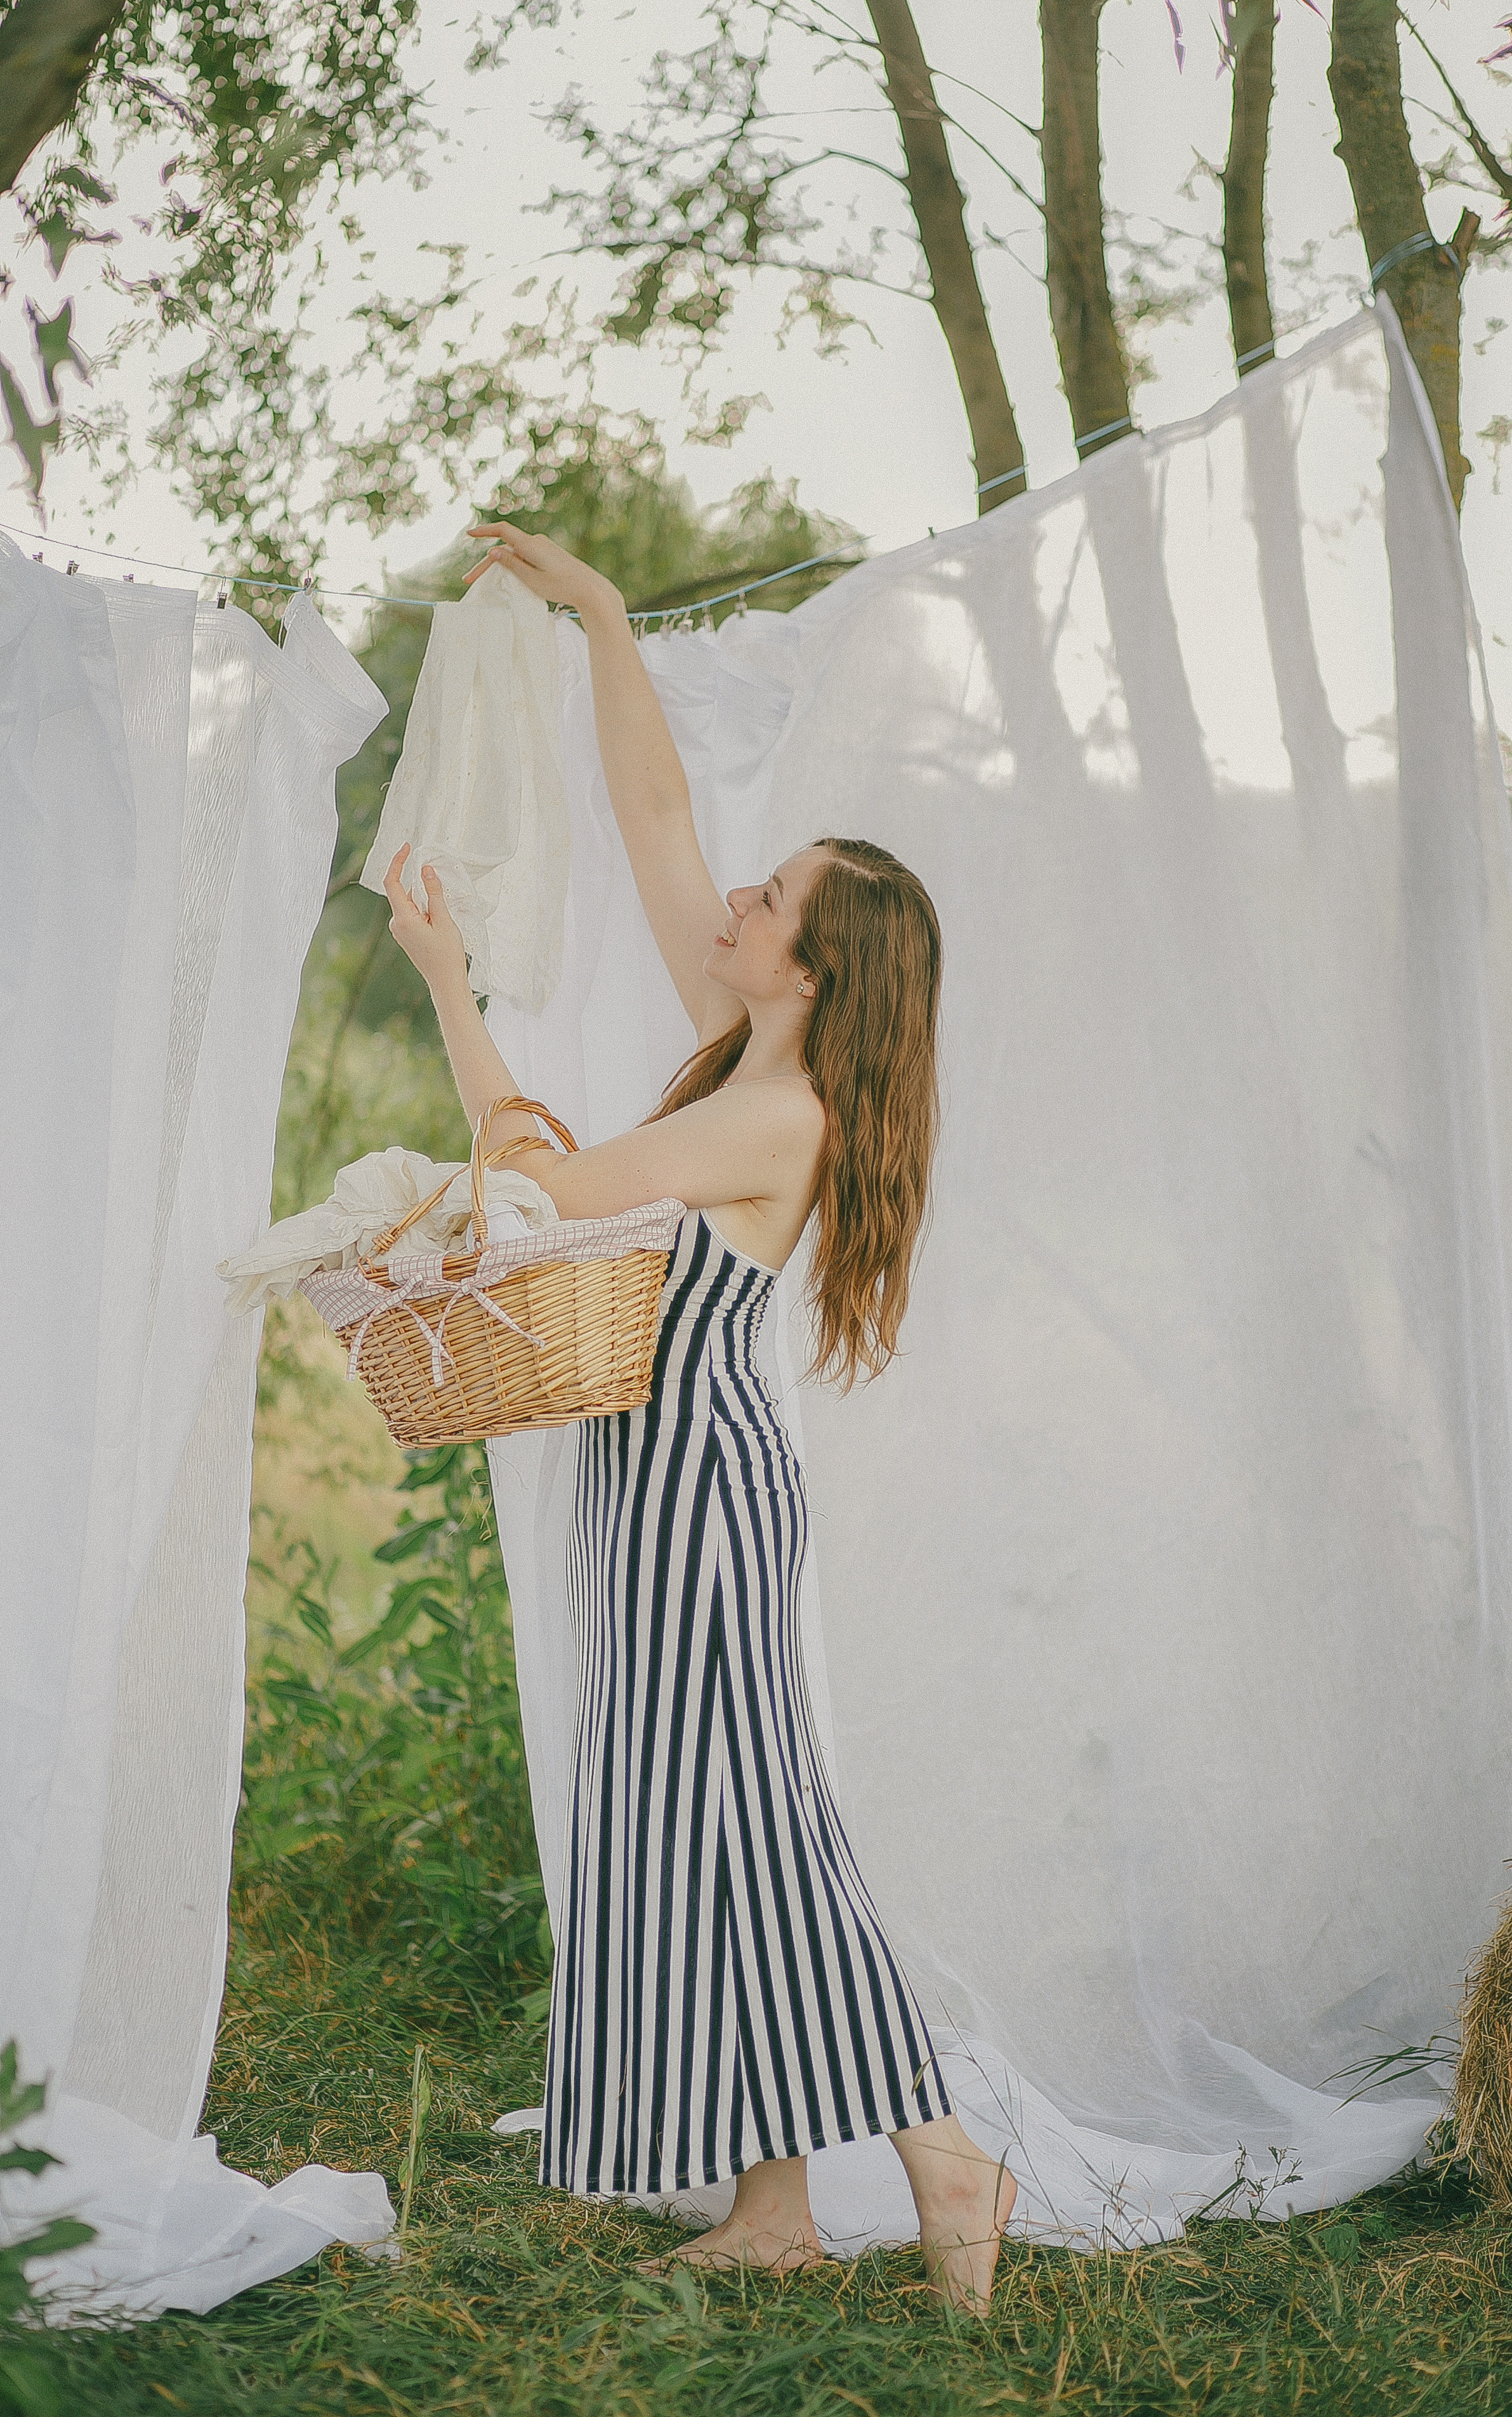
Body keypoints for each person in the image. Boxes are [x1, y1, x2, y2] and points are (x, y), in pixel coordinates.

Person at [380, 517, 1016, 2314]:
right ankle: (775, 2203)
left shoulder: (773, 1117)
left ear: (805, 969)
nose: (734, 898)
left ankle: (939, 2151)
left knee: (755, 1825)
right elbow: (657, 826)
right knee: (690, 1816)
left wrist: (448, 977)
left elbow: (538, 1184)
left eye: (770, 902)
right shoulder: (751, 1046)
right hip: (664, 1475)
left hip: (700, 1495)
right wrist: (596, 614)